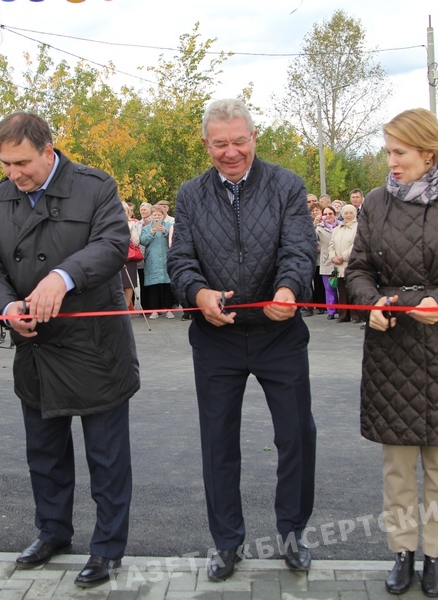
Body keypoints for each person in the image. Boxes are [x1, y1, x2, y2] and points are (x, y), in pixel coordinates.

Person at [0, 112, 139, 588]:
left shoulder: (95, 187)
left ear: (49, 151)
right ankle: (52, 532)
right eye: (5, 164)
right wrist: (7, 306)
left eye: (21, 162)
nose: (13, 174)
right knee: (44, 454)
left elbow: (113, 243)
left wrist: (61, 277)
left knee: (106, 458)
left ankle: (107, 548)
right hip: (36, 347)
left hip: (94, 347)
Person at [167, 98, 317, 581]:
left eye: (238, 141)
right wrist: (198, 292)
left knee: (296, 436)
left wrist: (289, 289)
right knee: (218, 443)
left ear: (254, 138)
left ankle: (293, 534)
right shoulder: (189, 195)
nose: (230, 152)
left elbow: (300, 248)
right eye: (219, 144)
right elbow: (180, 260)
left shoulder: (287, 185)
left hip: (280, 333)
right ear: (206, 143)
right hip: (216, 337)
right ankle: (227, 543)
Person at [346, 109, 438, 598]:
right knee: (398, 462)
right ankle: (402, 551)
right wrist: (371, 303)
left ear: (428, 153)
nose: (391, 162)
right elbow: (358, 270)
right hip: (392, 345)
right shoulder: (375, 202)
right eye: (388, 152)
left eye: (399, 153)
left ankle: (436, 556)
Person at [140, 205, 175, 318]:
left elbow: (174, 240)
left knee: (167, 284)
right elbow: (143, 241)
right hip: (153, 260)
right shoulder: (146, 228)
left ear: (163, 215)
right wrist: (152, 233)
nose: (157, 217)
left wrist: (165, 231)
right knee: (153, 285)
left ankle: (169, 310)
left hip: (166, 259)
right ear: (151, 216)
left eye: (159, 215)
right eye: (154, 215)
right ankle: (154, 310)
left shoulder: (170, 226)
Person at [329, 204, 359, 323]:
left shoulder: (358, 227)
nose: (348, 215)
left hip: (351, 264)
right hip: (339, 265)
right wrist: (333, 258)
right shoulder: (337, 229)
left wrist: (343, 256)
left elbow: (356, 245)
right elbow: (331, 245)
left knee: (353, 291)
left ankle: (356, 315)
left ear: (354, 214)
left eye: (350, 213)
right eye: (346, 213)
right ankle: (343, 315)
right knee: (342, 291)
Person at [316, 205, 339, 319]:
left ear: (335, 214)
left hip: (340, 259)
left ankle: (342, 309)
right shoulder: (318, 228)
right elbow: (310, 238)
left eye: (330, 213)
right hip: (326, 260)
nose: (328, 216)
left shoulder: (340, 226)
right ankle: (331, 311)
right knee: (329, 287)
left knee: (341, 287)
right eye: (325, 214)